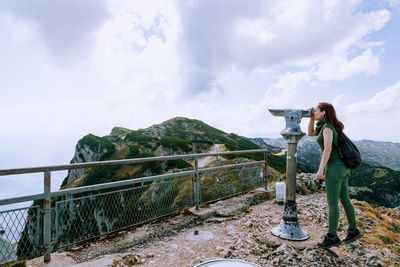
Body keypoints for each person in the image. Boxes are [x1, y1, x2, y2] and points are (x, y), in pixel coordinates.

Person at [308, 102, 362, 248]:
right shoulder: (326, 126)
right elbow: (310, 133)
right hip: (342, 168)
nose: (314, 111)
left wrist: (321, 169)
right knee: (345, 200)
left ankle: (332, 236)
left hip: (334, 168)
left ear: (324, 112)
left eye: (316, 110)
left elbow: (327, 149)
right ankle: (353, 230)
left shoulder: (327, 128)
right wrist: (311, 118)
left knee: (332, 203)